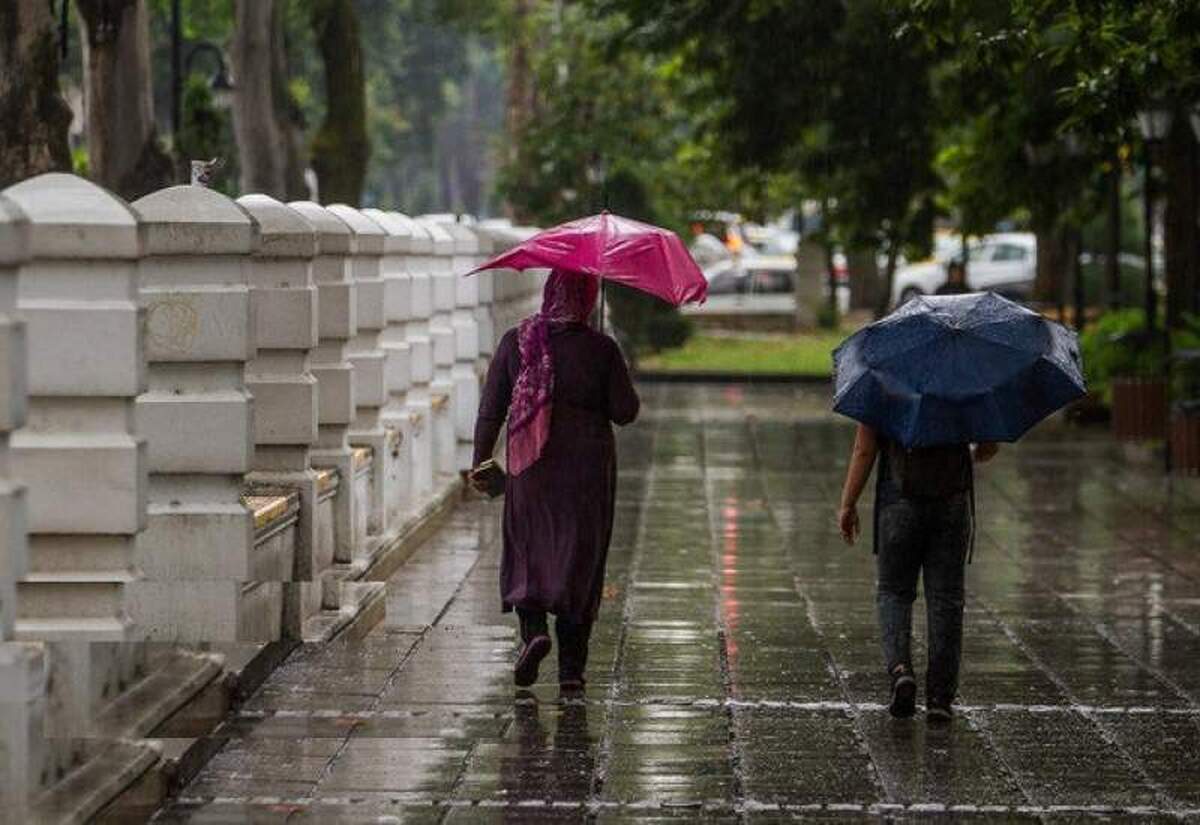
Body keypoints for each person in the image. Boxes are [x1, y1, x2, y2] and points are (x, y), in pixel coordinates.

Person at [471, 268, 640, 692]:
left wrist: (481, 462)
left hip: (531, 471)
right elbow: (625, 412)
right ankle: (571, 671)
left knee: (528, 551)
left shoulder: (517, 342)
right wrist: (607, 360)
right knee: (578, 560)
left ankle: (534, 634)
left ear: (550, 291)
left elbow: (491, 410)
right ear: (588, 298)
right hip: (586, 474)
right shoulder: (601, 349)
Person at [837, 424, 997, 721]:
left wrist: (848, 502)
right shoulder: (966, 392)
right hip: (952, 500)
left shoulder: (886, 391)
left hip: (898, 499)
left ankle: (901, 671)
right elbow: (987, 448)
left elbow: (864, 449)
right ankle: (939, 697)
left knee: (893, 593)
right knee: (946, 599)